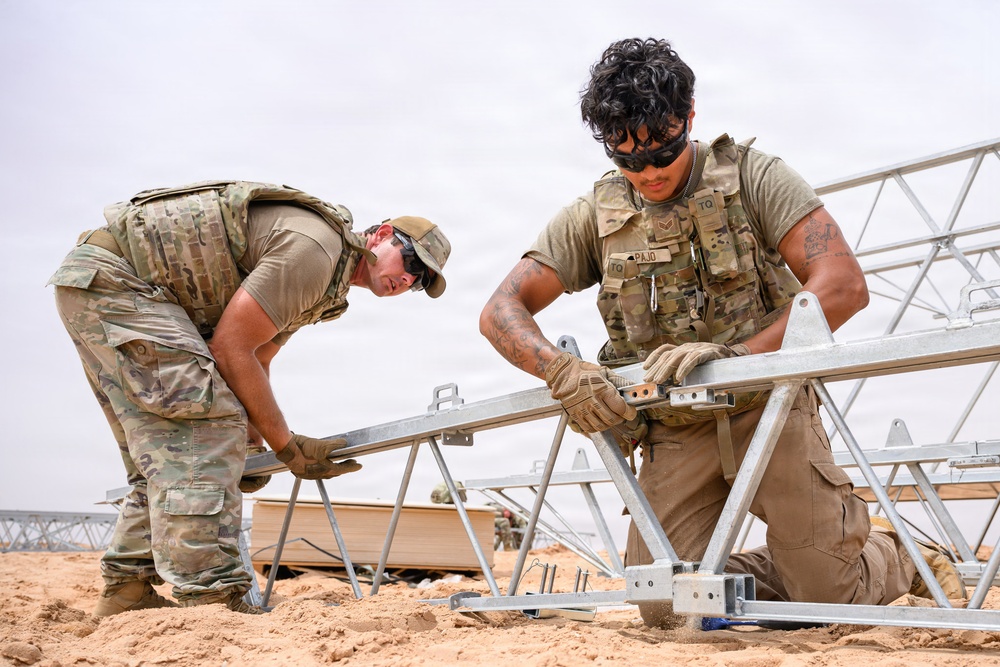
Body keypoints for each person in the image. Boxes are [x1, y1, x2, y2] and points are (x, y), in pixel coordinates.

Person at [479, 38, 965, 626]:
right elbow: (500, 308)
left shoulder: (754, 177)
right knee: (663, 604)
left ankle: (897, 552)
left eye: (662, 150)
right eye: (628, 158)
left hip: (769, 408)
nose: (649, 172)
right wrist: (558, 369)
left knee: (831, 601)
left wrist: (736, 356)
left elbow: (843, 285)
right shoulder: (594, 215)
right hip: (678, 426)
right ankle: (788, 567)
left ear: (688, 118)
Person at [49, 180, 451, 616]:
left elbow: (259, 355)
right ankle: (212, 600)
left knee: (167, 454)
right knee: (209, 427)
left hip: (103, 285)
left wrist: (256, 441)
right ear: (381, 234)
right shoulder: (315, 253)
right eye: (410, 258)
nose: (407, 277)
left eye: (418, 280)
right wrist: (286, 446)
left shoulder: (328, 282)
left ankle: (126, 593)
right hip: (116, 282)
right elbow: (230, 348)